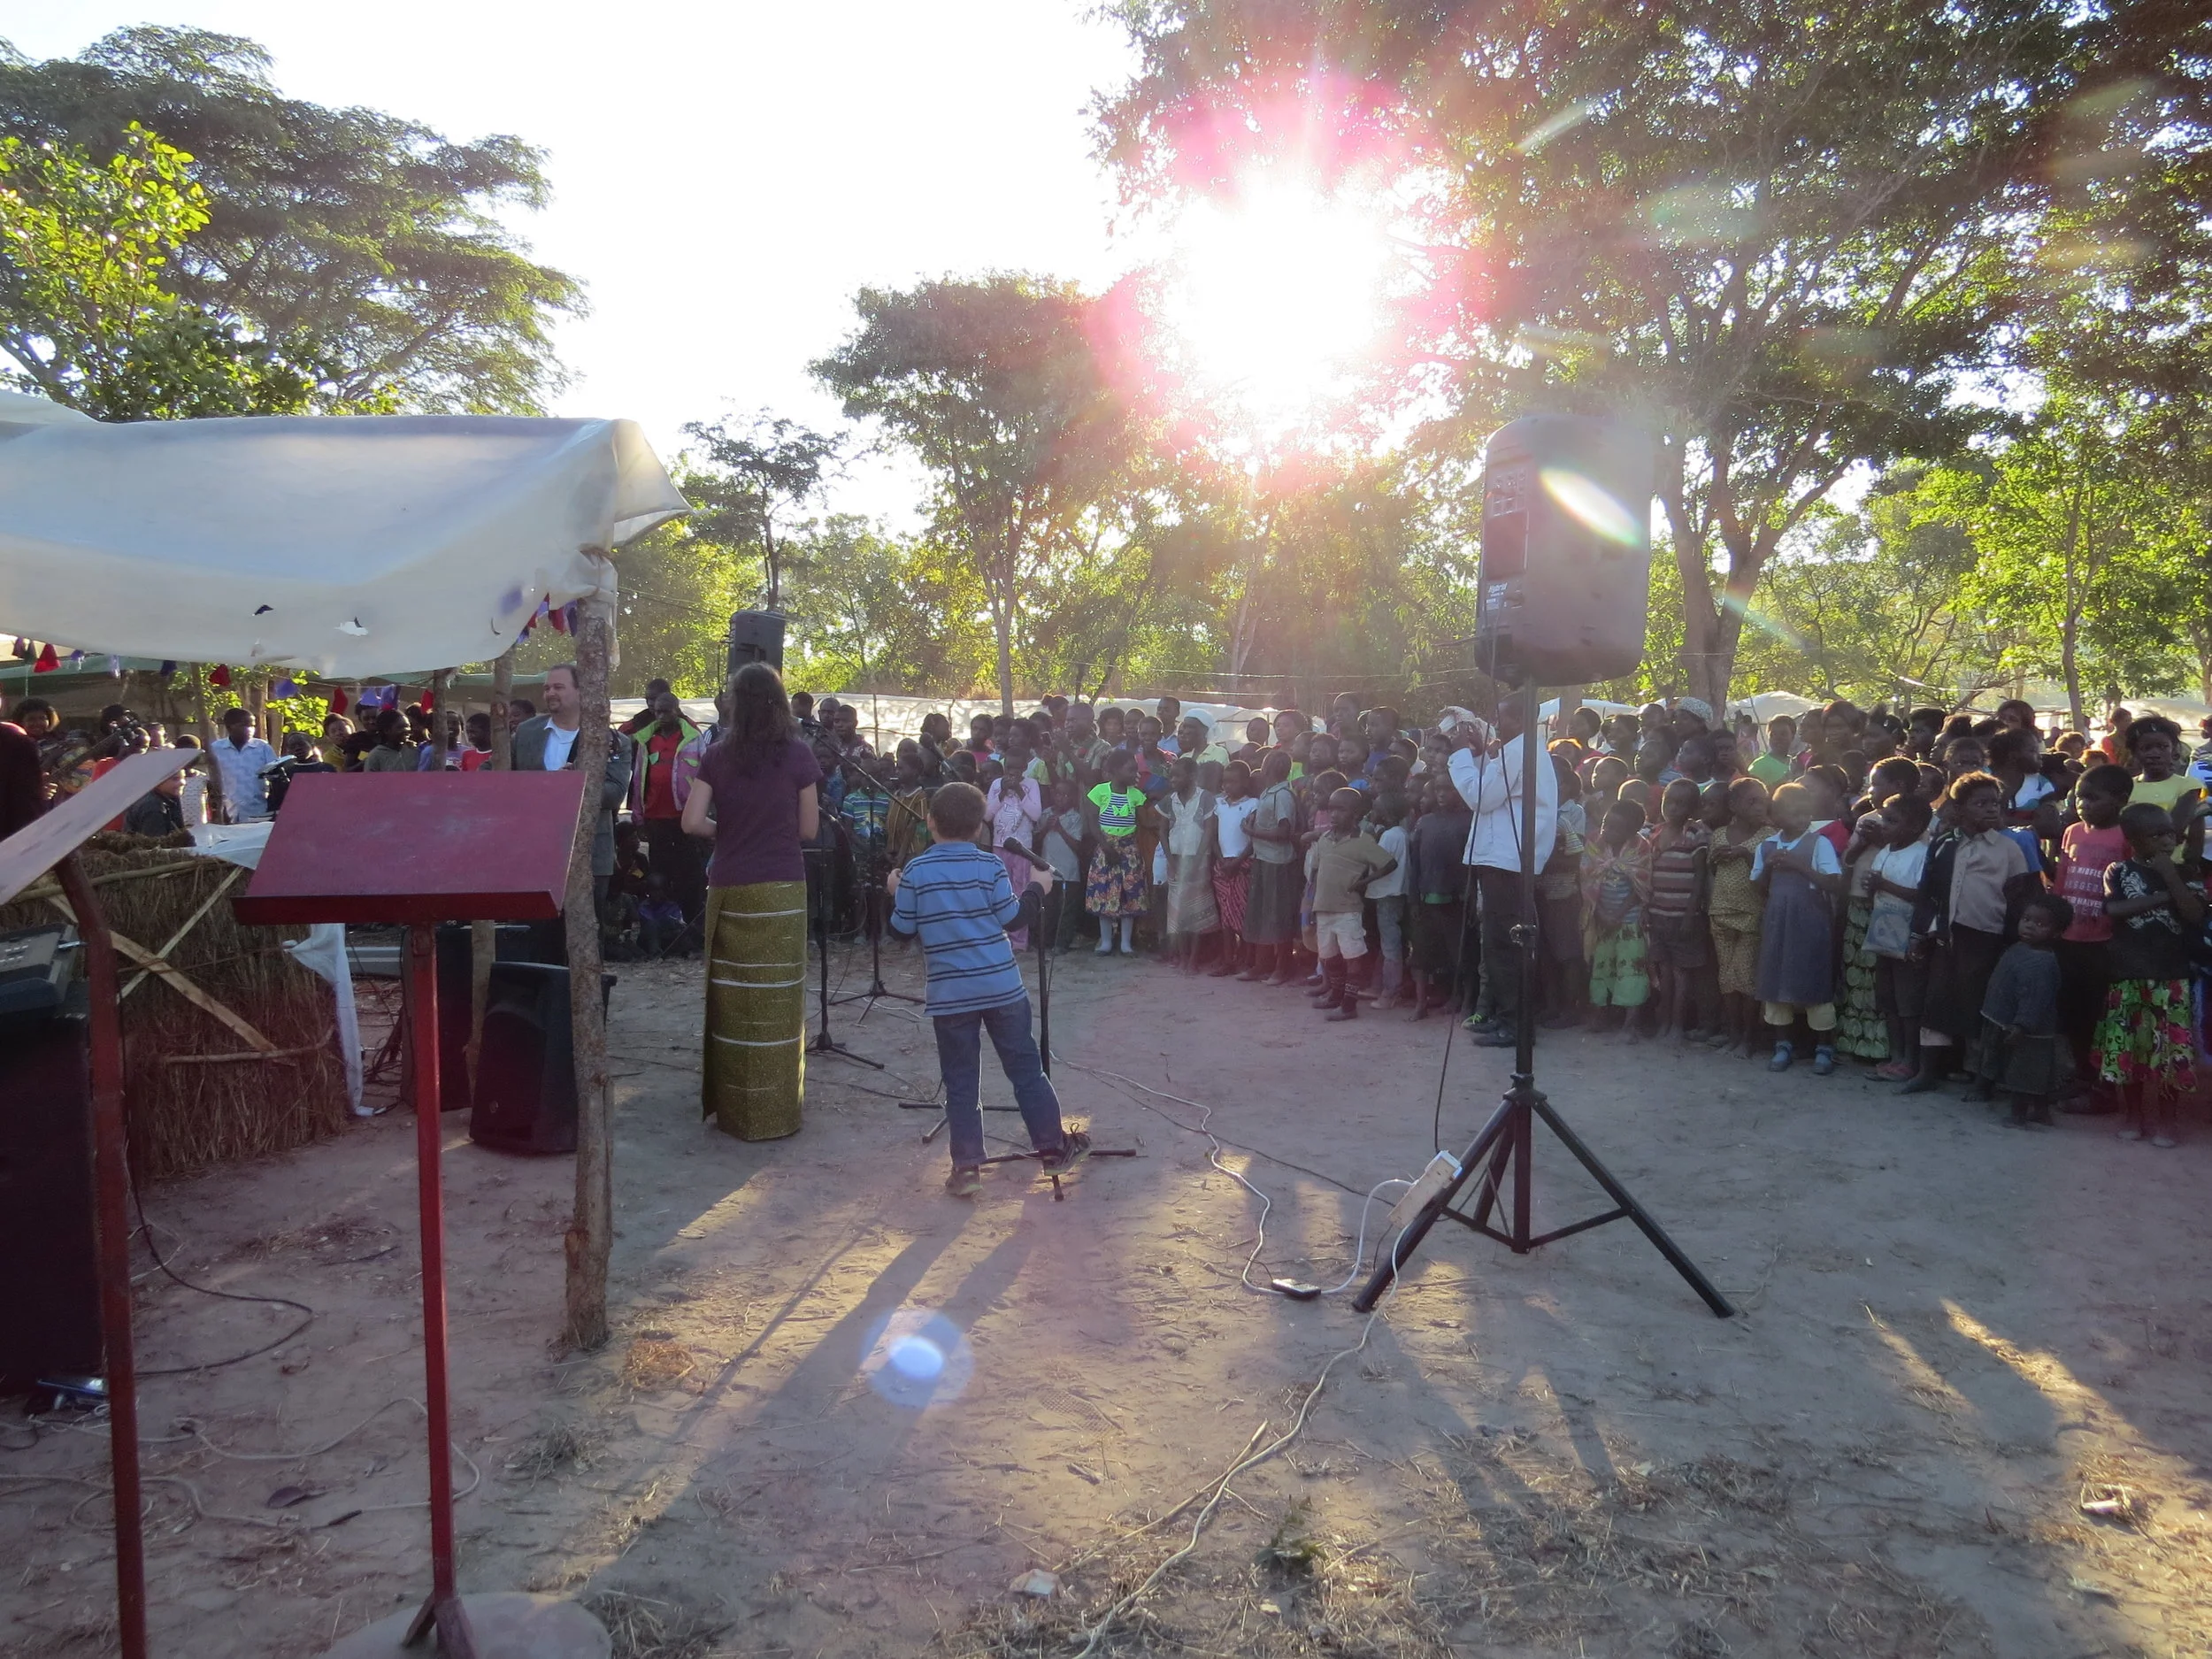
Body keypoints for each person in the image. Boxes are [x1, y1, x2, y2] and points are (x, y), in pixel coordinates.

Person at [887, 781, 1087, 1197]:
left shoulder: (917, 873)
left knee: (960, 1081)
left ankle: (967, 1169)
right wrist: (1038, 888)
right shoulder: (989, 866)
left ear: (930, 823)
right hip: (1002, 988)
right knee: (1026, 1071)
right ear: (981, 827)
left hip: (950, 996)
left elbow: (901, 931)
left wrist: (895, 892)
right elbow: (1013, 919)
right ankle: (1052, 1147)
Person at [680, 664, 823, 1141]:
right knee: (779, 1000)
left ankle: (737, 1111)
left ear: (736, 705)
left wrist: (729, 832)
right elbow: (809, 831)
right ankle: (778, 1111)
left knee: (733, 995)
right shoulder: (799, 756)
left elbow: (690, 822)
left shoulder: (717, 756)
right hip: (782, 886)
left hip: (730, 885)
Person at [1901, 772, 2033, 1093]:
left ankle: (1980, 1077)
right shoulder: (1945, 844)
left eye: (1996, 804)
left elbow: (2020, 898)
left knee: (1980, 1005)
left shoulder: (2008, 849)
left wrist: (2014, 941)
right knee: (1936, 1002)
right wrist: (1919, 934)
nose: (1991, 810)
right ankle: (1927, 1071)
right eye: (1981, 803)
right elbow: (1928, 891)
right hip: (1946, 935)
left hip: (1986, 937)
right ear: (1959, 809)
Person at [1449, 695, 1559, 1047]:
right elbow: (1495, 788)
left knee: (1505, 946)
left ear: (1517, 720)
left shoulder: (1520, 751)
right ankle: (1501, 1015)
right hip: (1501, 858)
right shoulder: (1516, 751)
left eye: (1500, 717)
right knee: (1496, 943)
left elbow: (1481, 796)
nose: (1495, 724)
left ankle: (1515, 1025)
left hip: (1507, 861)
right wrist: (1480, 754)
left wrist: (1460, 755)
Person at [2094, 803, 2202, 1147]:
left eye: (2171, 832)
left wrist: (2169, 874)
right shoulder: (2118, 871)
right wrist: (2162, 896)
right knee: (2131, 1052)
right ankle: (2134, 1116)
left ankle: (2167, 1122)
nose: (2168, 840)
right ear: (2134, 840)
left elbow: (2194, 915)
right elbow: (2114, 909)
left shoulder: (2187, 871)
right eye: (2157, 835)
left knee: (2169, 1054)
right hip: (2128, 974)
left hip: (2172, 977)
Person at [514, 663, 634, 925]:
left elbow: (615, 794)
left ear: (581, 692)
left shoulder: (613, 740)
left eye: (558, 687)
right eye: (547, 688)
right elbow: (507, 776)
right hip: (537, 847)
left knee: (588, 930)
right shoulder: (526, 732)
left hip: (591, 849)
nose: (550, 693)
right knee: (540, 931)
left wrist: (572, 786)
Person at [2053, 764, 2132, 1108]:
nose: (2082, 804)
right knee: (2073, 1013)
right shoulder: (2072, 832)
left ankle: (2104, 1084)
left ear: (2119, 800)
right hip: (2069, 938)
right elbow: (2061, 879)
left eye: (2092, 798)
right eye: (2079, 796)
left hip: (2104, 942)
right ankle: (2081, 1074)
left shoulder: (2126, 837)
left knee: (2099, 1014)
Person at [1752, 781, 1844, 1073]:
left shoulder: (1819, 843)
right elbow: (1757, 886)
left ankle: (1824, 1048)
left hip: (1811, 925)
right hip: (1778, 924)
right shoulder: (1766, 847)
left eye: (1806, 812)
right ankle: (1783, 1046)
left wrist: (1798, 865)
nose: (1802, 818)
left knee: (1814, 983)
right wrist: (1768, 867)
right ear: (1776, 815)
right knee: (1777, 982)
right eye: (1794, 812)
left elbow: (1834, 882)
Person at [1967, 892, 2071, 1127]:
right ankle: (2037, 1111)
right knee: (2002, 1062)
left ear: (2056, 933)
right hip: (2001, 1020)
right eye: (2027, 919)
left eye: (2040, 924)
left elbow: (2035, 999)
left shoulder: (2042, 962)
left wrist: (2022, 1025)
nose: (2030, 926)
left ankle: (2020, 1115)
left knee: (2024, 1075)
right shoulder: (2019, 948)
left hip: (2026, 1031)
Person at [1307, 787, 1395, 1021]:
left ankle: (1349, 1006)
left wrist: (1364, 883)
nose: (1334, 815)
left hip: (1348, 911)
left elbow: (1389, 864)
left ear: (1356, 814)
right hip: (1323, 908)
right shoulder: (1325, 839)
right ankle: (1336, 996)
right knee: (1328, 957)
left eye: (1341, 809)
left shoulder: (1363, 841)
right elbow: (1316, 873)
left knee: (1352, 959)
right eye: (1331, 809)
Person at [1866, 795, 1934, 1080]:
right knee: (1889, 1000)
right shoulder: (1886, 851)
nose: (1884, 825)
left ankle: (1910, 1060)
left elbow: (1922, 895)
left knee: (1908, 1003)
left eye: (1892, 821)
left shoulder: (1921, 854)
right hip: (1883, 934)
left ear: (1916, 825)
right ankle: (1896, 1058)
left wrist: (1884, 885)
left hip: (1908, 936)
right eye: (1884, 819)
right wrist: (1873, 888)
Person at [1642, 778, 1715, 1041]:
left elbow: (1699, 877)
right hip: (1658, 914)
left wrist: (1690, 914)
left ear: (1692, 808)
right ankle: (1664, 1023)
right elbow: (1649, 875)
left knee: (1682, 973)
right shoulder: (1655, 834)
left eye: (1680, 804)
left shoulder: (1695, 834)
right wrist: (1647, 909)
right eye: (1668, 801)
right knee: (1664, 972)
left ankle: (1677, 1025)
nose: (1672, 808)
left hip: (1684, 918)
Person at [1705, 775, 1773, 1057]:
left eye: (1763, 802)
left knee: (1746, 978)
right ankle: (1732, 1035)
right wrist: (1716, 858)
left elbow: (1769, 879)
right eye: (1752, 801)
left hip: (1751, 914)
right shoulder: (1718, 835)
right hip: (1720, 912)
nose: (1759, 807)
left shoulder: (1769, 836)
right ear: (1733, 805)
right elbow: (1712, 872)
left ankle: (1748, 1039)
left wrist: (1746, 856)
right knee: (1727, 978)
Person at [1580, 797, 1653, 1033]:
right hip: (1600, 919)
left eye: (1614, 828)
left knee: (1631, 968)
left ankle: (1630, 1024)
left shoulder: (1641, 849)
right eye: (1605, 824)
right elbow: (1586, 881)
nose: (1606, 831)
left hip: (1629, 921)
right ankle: (1599, 1016)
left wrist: (1618, 915)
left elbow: (1641, 888)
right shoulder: (1594, 844)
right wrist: (1601, 913)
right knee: (1600, 966)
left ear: (1631, 831)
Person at [1083, 749, 1148, 956]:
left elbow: (1143, 821)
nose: (1134, 774)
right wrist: (1106, 846)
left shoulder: (1136, 795)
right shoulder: (1099, 792)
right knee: (1104, 893)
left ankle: (1126, 943)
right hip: (1105, 848)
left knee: (1129, 893)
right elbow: (1093, 822)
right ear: (1114, 771)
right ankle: (1106, 941)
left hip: (1128, 850)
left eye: (1135, 770)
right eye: (1130, 770)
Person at [1160, 755, 1219, 971]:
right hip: (1175, 860)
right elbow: (1162, 830)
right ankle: (1183, 956)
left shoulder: (1206, 798)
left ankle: (1194, 958)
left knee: (1196, 914)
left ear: (1192, 776)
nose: (1172, 780)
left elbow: (1209, 831)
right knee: (1178, 913)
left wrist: (1198, 861)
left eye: (1177, 776)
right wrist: (1171, 861)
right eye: (1171, 776)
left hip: (1198, 861)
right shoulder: (1169, 800)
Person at [984, 740, 1045, 948]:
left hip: (1022, 848)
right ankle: (1000, 939)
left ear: (1025, 767)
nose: (1012, 772)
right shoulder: (995, 785)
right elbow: (987, 815)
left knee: (1020, 891)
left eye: (1017, 768)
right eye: (1008, 768)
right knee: (1000, 891)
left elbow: (1036, 814)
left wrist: (1019, 792)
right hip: (999, 846)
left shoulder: (1031, 785)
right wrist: (1001, 794)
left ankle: (1019, 941)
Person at [1209, 760, 1259, 976]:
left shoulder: (1253, 805)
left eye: (1233, 782)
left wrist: (1237, 862)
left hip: (1243, 865)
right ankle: (1228, 959)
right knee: (1226, 917)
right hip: (1222, 866)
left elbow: (1253, 840)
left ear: (1245, 783)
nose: (1228, 786)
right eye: (1225, 782)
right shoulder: (1217, 804)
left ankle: (1248, 958)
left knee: (1244, 913)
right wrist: (1221, 860)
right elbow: (1212, 836)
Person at [1037, 775, 1089, 952]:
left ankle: (1062, 943)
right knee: (1049, 908)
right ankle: (1047, 941)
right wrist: (1046, 828)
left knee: (1066, 910)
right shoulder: (1045, 814)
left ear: (1073, 798)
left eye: (1066, 795)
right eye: (1058, 793)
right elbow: (1036, 840)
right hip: (1047, 869)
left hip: (1068, 871)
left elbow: (1077, 845)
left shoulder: (1075, 818)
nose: (1061, 798)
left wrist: (1060, 829)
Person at [211, 706, 279, 819]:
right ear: (230, 727)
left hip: (258, 811)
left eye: (252, 726)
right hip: (227, 812)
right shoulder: (216, 749)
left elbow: (275, 776)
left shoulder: (262, 748)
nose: (251, 729)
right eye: (245, 725)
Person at [360, 708, 415, 772]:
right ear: (387, 730)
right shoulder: (375, 756)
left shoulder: (414, 750)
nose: (406, 730)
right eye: (400, 727)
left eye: (408, 726)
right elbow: (370, 781)